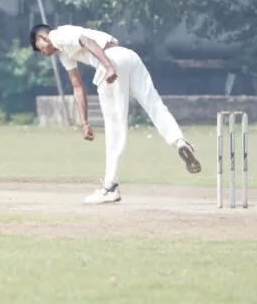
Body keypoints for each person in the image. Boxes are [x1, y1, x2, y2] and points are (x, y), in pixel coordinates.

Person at [29, 23, 200, 204]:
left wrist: (108, 66)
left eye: (38, 48)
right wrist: (85, 122)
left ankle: (110, 187)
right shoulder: (63, 54)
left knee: (115, 127)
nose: (42, 53)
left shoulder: (57, 35)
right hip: (128, 56)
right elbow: (77, 86)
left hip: (110, 60)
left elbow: (87, 41)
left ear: (43, 39)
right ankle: (179, 139)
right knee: (154, 104)